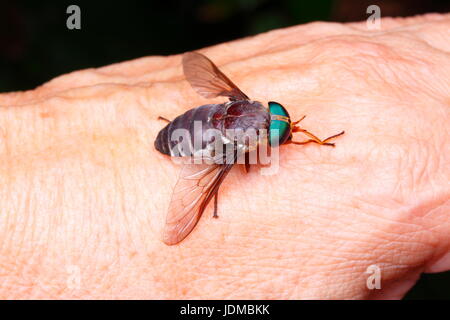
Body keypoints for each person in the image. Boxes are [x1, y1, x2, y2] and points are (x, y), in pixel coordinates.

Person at [0, 13, 448, 299]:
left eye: (278, 124)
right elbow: (206, 178)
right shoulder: (234, 155)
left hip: (200, 117)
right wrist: (205, 199)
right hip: (188, 137)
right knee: (211, 178)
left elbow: (208, 85)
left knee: (210, 122)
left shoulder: (238, 100)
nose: (280, 125)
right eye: (278, 127)